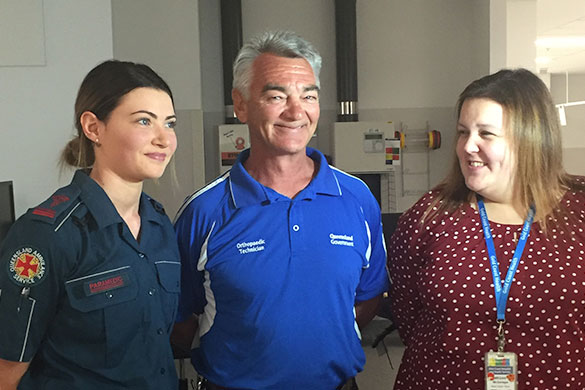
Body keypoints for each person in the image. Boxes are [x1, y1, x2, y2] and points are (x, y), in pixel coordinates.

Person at [172, 31, 389, 390]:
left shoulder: (356, 198)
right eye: (276, 96)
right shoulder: (204, 211)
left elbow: (367, 299)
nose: (296, 111)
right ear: (240, 105)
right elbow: (181, 319)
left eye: (309, 96)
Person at [388, 68, 585, 389]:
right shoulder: (431, 215)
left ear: (530, 139)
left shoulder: (578, 214)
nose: (467, 146)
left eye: (486, 134)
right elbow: (407, 313)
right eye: (463, 132)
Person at [0, 60, 180, 389]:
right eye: (144, 121)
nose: (164, 139)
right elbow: (7, 371)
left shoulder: (159, 225)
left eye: (170, 124)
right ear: (94, 128)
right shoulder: (47, 234)